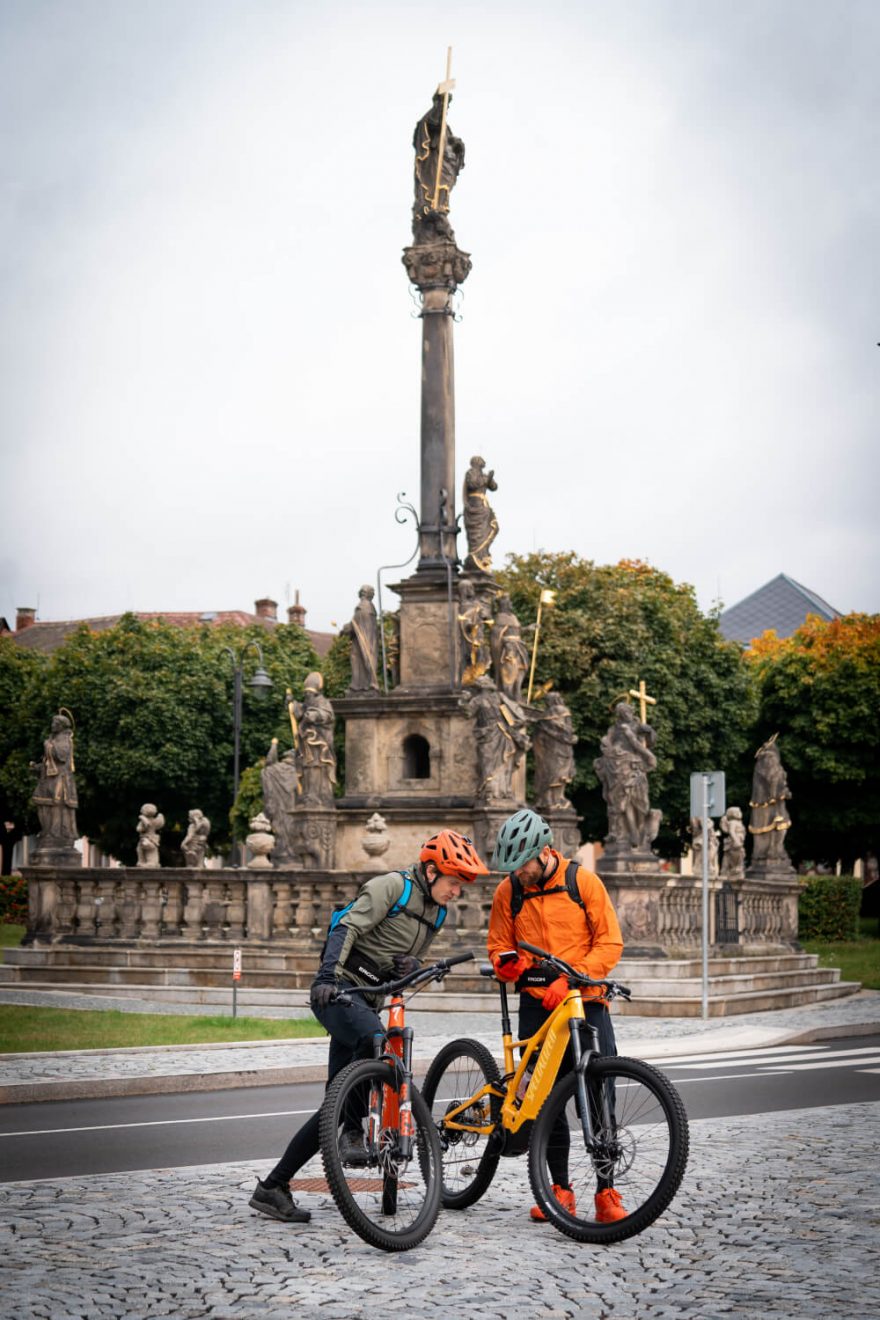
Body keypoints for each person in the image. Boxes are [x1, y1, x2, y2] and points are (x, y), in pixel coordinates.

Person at [249, 829, 489, 1225]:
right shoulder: (391, 887)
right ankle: (354, 1135)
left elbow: (408, 959)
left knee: (335, 1107)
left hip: (369, 1000)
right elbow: (346, 926)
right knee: (376, 1041)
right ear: (431, 872)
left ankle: (273, 1187)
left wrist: (413, 966)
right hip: (339, 991)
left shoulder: (437, 913)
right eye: (454, 882)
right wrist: (326, 976)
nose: (458, 892)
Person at [487, 808, 627, 1225]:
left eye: (522, 865)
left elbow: (609, 943)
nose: (517, 874)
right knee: (545, 1099)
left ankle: (606, 1192)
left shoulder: (582, 882)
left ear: (545, 851)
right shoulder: (508, 892)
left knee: (599, 1097)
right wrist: (505, 964)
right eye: (511, 868)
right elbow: (498, 945)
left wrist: (571, 980)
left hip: (586, 1000)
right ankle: (560, 1190)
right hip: (536, 1005)